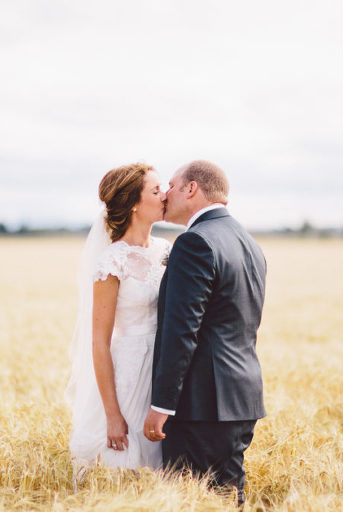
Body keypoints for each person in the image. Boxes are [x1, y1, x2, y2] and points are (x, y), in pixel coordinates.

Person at [143, 160, 267, 505]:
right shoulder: (248, 242)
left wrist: (162, 403)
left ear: (192, 189)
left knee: (193, 502)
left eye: (171, 185)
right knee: (227, 498)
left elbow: (182, 330)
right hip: (241, 398)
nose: (166, 193)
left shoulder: (195, 242)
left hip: (201, 405)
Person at [67, 163, 170, 477]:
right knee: (127, 465)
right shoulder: (112, 260)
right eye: (156, 190)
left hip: (163, 365)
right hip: (129, 371)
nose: (165, 195)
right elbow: (99, 340)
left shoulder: (167, 250)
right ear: (135, 203)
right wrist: (112, 414)